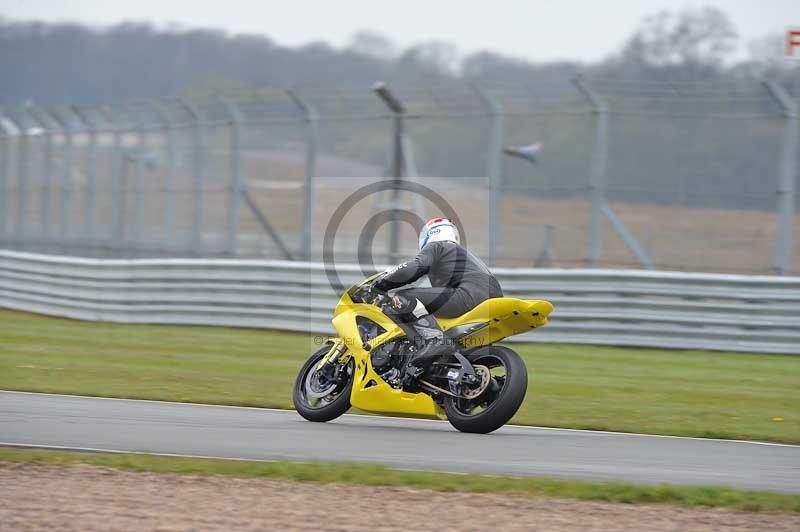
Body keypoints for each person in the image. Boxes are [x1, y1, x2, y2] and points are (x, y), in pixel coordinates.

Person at [366, 217, 503, 384]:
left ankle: (435, 340)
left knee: (404, 298)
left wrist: (380, 284)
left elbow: (414, 268)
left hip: (469, 295)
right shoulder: (466, 256)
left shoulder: (438, 246)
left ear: (430, 234)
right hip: (489, 299)